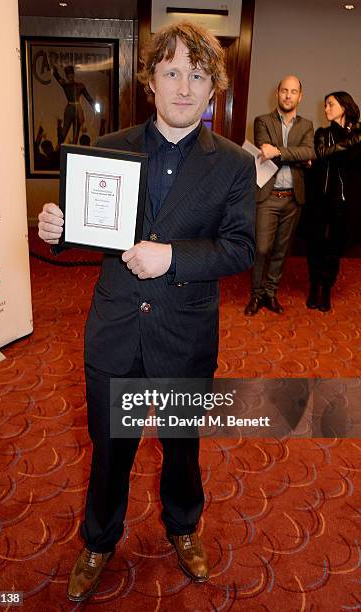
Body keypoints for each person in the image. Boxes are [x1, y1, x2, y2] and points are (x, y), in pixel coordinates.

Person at [38, 22, 255, 603]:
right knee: (110, 450)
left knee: (183, 448)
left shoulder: (233, 164)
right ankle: (99, 539)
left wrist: (173, 257)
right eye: (172, 72)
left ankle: (183, 528)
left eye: (198, 75)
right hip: (115, 331)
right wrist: (57, 231)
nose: (185, 87)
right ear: (151, 81)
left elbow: (240, 247)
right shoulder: (108, 148)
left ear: (213, 88)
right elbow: (83, 228)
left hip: (184, 334)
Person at [244, 75, 315, 316]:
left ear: (300, 96)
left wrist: (281, 151)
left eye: (293, 91)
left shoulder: (307, 126)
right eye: (284, 90)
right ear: (278, 93)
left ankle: (270, 293)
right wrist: (297, 156)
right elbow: (266, 150)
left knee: (281, 251)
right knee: (262, 248)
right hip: (268, 196)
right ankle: (256, 294)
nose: (288, 95)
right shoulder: (262, 121)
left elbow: (310, 151)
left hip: (293, 198)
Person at [305, 91, 361, 311]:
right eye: (325, 105)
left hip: (344, 200)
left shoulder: (358, 134)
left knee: (335, 247)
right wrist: (351, 141)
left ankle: (326, 288)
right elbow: (322, 153)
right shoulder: (323, 133)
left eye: (330, 105)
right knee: (315, 245)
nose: (326, 109)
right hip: (321, 198)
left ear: (344, 107)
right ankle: (313, 286)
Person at [53, 64, 95, 144]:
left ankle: (72, 150)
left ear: (74, 75)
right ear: (67, 76)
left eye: (72, 75)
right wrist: (55, 72)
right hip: (69, 109)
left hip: (77, 111)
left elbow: (88, 97)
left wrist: (94, 107)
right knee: (64, 132)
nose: (70, 77)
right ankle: (59, 149)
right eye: (69, 76)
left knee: (76, 135)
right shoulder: (65, 85)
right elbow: (58, 78)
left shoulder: (80, 86)